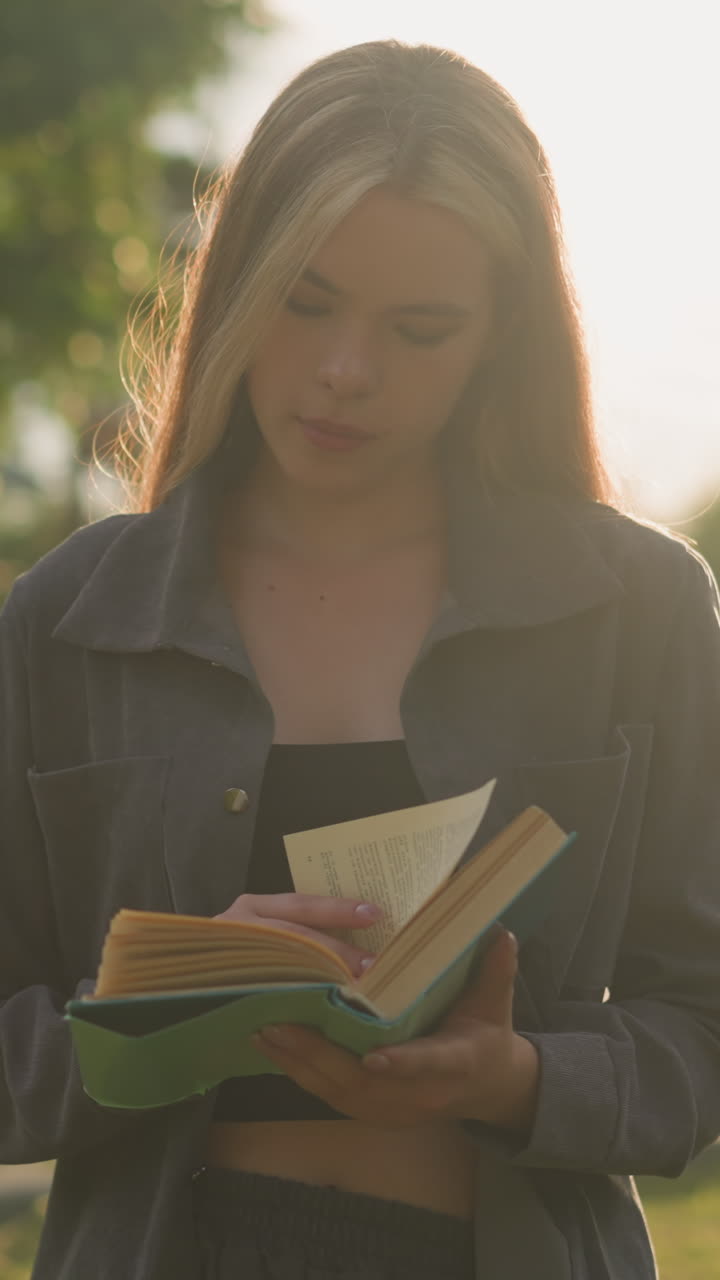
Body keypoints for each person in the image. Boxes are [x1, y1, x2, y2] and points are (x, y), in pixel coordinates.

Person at [1, 38, 719, 1280]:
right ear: (233, 284)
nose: (345, 371)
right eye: (306, 299)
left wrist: (524, 1076)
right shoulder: (65, 621)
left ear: (501, 332)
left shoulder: (638, 610)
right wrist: (166, 1015)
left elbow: (701, 1020)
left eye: (419, 328)